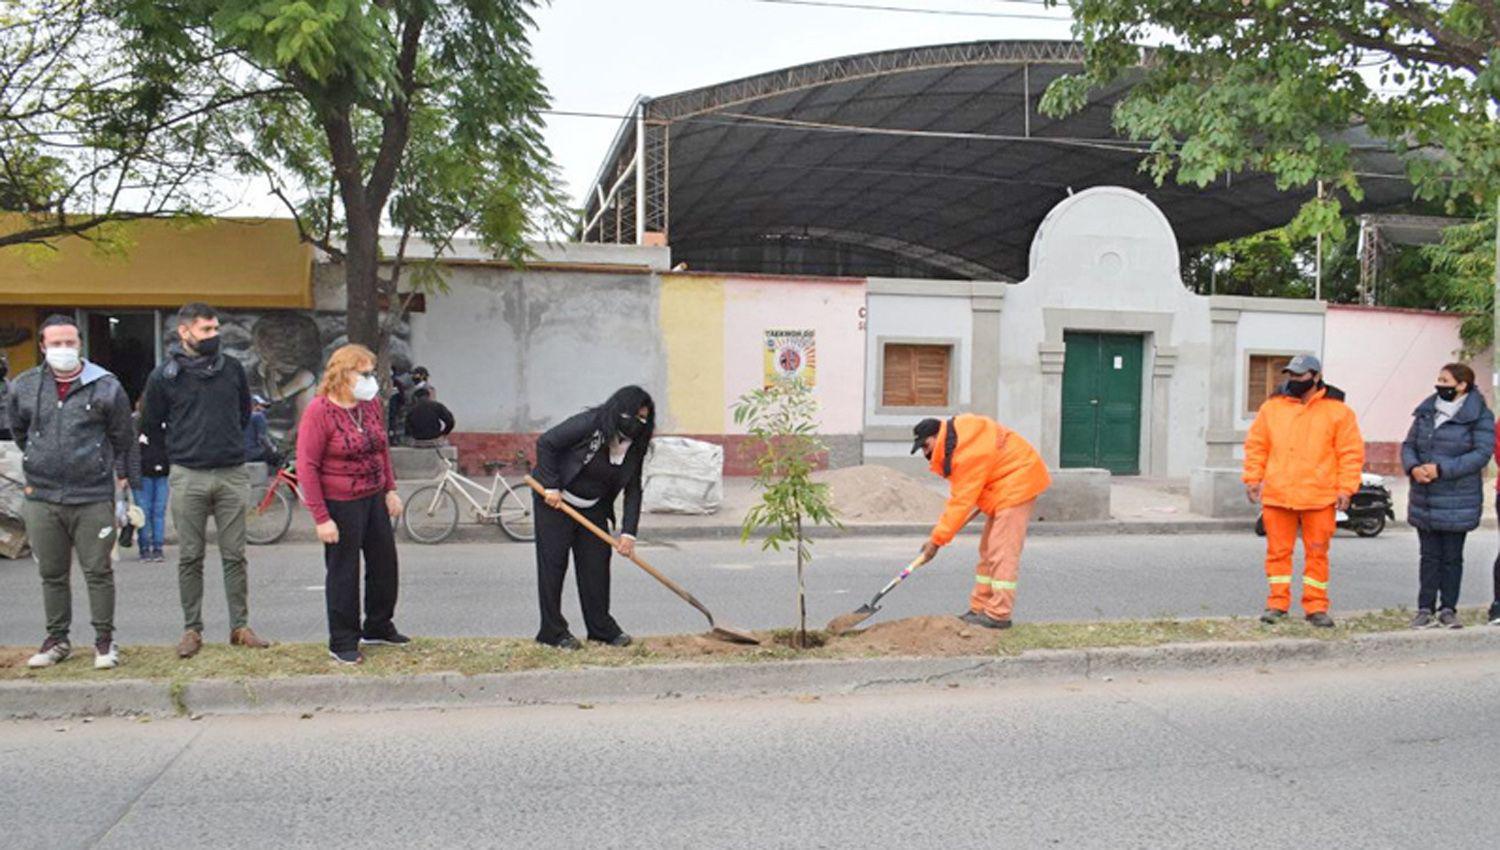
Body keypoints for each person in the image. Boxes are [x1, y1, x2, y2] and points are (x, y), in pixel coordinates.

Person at [142, 302, 271, 658]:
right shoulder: (163, 376)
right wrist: (178, 452)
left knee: (235, 555)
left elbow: (244, 413)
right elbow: (150, 424)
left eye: (216, 330)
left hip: (231, 472)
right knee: (190, 557)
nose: (214, 336)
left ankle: (240, 626)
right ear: (185, 332)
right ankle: (192, 629)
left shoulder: (232, 369)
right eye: (206, 330)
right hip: (188, 474)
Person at [6, 315, 135, 669]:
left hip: (92, 496)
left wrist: (115, 476)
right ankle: (56, 640)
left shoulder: (106, 386)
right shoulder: (25, 386)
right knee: (52, 573)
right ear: (43, 346)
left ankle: (105, 642)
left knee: (98, 571)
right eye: (56, 344)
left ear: (80, 345)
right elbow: (20, 430)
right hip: (42, 496)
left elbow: (122, 437)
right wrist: (40, 457)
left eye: (70, 343)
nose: (64, 349)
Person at [296, 344, 407, 665]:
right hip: (340, 501)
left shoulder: (369, 406)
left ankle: (378, 624)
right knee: (344, 571)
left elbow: (381, 450)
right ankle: (343, 639)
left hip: (373, 496)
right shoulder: (320, 411)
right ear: (343, 374)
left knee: (385, 564)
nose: (370, 380)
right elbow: (307, 466)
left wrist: (390, 489)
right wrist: (321, 517)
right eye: (365, 373)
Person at [1243, 353, 1364, 628]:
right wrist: (1252, 478)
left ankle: (1316, 606)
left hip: (1319, 496)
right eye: (1291, 375)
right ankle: (1276, 603)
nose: (1294, 380)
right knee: (1277, 553)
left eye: (1300, 375)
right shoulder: (1272, 408)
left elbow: (1350, 454)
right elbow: (1257, 446)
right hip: (1278, 495)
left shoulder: (1338, 412)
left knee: (1317, 553)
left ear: (1316, 376)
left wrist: (1347, 488)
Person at [531, 386, 654, 649]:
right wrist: (551, 487)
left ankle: (601, 628)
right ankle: (553, 632)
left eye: (644, 419)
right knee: (553, 567)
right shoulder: (591, 424)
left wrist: (628, 533)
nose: (638, 423)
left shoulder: (635, 446)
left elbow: (633, 489)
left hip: (594, 506)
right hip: (556, 503)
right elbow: (547, 443)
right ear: (620, 411)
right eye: (634, 416)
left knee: (596, 567)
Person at [912, 414, 1051, 629]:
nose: (926, 453)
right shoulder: (960, 440)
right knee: (987, 550)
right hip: (1003, 485)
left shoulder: (966, 451)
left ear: (935, 437)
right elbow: (967, 496)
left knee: (1001, 552)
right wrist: (937, 539)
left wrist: (936, 541)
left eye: (925, 446)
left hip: (1017, 485)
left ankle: (998, 614)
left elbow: (961, 501)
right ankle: (980, 608)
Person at [1401, 364, 1494, 629]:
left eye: (1445, 380)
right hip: (1425, 495)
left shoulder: (1479, 416)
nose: (1439, 384)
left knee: (1452, 557)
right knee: (1428, 557)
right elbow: (1409, 445)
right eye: (1438, 379)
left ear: (1462, 385)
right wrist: (1413, 467)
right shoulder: (1426, 411)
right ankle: (1424, 609)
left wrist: (1441, 469)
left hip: (1457, 498)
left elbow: (1480, 454)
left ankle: (1448, 609)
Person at [130, 397, 172, 563]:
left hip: (158, 471)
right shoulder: (133, 424)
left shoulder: (165, 423)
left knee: (152, 511)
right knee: (149, 512)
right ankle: (150, 547)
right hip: (144, 471)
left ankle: (153, 547)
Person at [244, 394, 277, 464]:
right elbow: (262, 437)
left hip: (242, 456)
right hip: (255, 454)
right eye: (263, 406)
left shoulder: (240, 417)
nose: (265, 409)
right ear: (254, 405)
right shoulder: (258, 416)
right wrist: (273, 451)